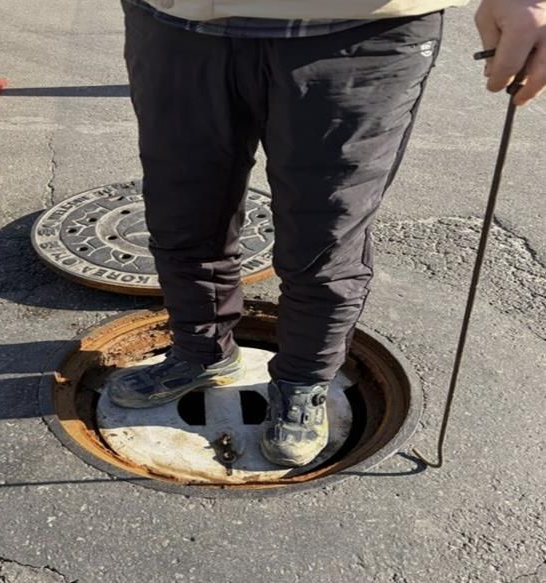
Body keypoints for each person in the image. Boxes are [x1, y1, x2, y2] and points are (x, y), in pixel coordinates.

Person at [108, 0, 546, 467]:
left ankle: (302, 381)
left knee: (324, 237)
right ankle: (202, 351)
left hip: (360, 29)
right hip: (177, 22)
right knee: (182, 213)